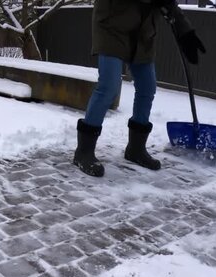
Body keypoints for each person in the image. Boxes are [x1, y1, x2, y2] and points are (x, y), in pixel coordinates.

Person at [73, 0, 206, 177]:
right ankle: (83, 151)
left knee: (147, 87)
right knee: (109, 87)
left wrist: (185, 31)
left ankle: (136, 149)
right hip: (112, 27)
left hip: (143, 33)